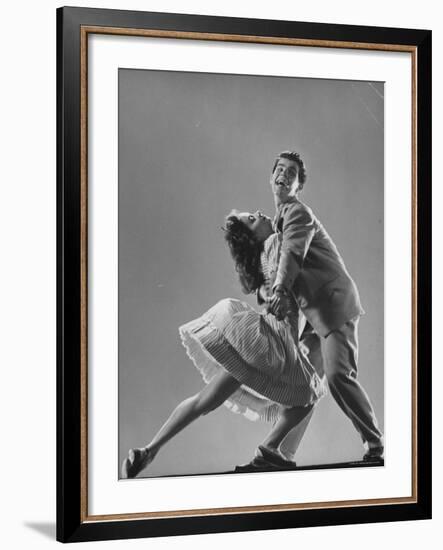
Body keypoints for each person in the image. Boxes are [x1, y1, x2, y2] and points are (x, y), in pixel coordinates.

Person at [121, 210, 325, 479]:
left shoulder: (265, 256)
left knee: (205, 400)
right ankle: (270, 449)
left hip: (258, 342)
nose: (259, 214)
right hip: (274, 342)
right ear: (252, 236)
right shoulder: (276, 243)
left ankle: (149, 450)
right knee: (308, 396)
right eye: (252, 219)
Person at [264, 150, 384, 461]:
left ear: (298, 185)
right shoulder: (280, 222)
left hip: (334, 308)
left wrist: (278, 288)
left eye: (292, 173)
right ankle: (281, 453)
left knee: (338, 377)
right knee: (301, 385)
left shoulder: (297, 213)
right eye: (280, 169)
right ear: (271, 177)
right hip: (316, 320)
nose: (284, 175)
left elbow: (293, 254)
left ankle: (375, 444)